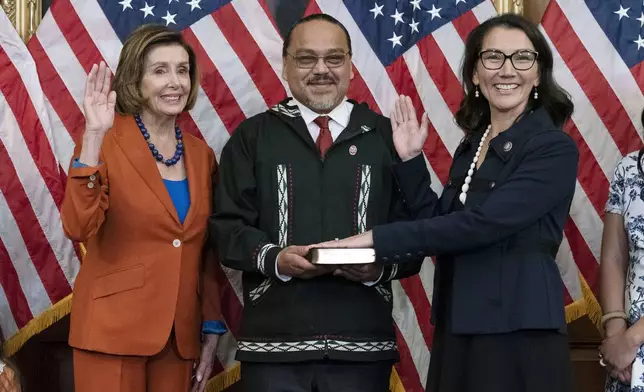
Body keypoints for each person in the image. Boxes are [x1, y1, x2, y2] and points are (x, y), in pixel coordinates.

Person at [322, 13, 579, 392]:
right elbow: (441, 224)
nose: (507, 70)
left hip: (517, 331)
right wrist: (410, 161)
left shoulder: (553, 147)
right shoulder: (473, 144)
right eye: (493, 57)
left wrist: (376, 241)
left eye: (522, 58)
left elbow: (481, 225)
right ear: (475, 73)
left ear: (539, 73)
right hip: (459, 324)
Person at [210, 13, 422, 392]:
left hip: (362, 348)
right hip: (273, 349)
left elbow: (416, 232)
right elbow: (227, 229)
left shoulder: (387, 136)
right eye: (306, 58)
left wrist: (375, 270)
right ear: (286, 66)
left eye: (334, 58)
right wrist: (276, 258)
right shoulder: (252, 137)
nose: (321, 69)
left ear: (351, 67)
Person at [60, 25, 226, 392]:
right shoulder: (104, 140)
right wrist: (92, 136)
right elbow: (77, 226)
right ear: (136, 78)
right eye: (160, 70)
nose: (175, 82)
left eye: (182, 70)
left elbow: (206, 248)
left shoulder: (201, 155)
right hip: (112, 333)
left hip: (178, 338)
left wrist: (212, 323)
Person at [599, 109, 644, 391]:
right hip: (627, 358)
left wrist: (633, 338)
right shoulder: (628, 169)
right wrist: (616, 330)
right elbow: (613, 257)